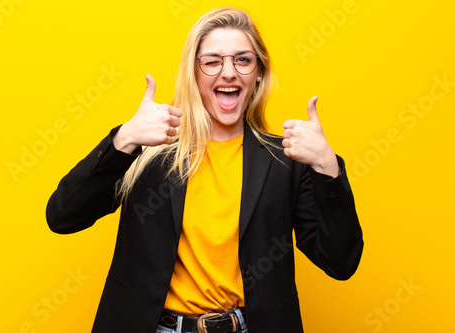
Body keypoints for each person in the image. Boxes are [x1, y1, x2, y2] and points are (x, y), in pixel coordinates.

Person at [46, 7, 363, 333]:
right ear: (193, 75)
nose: (228, 73)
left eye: (243, 60)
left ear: (258, 74)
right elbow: (63, 216)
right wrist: (124, 139)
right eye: (212, 62)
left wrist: (327, 166)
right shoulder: (151, 151)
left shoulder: (286, 161)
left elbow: (341, 262)